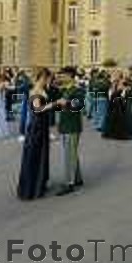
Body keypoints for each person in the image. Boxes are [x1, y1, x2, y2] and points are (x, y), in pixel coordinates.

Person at [17, 68, 59, 200]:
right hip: (36, 126)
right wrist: (53, 104)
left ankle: (39, 183)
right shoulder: (36, 90)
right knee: (34, 155)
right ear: (42, 77)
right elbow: (37, 108)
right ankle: (32, 186)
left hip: (41, 125)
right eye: (48, 78)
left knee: (40, 154)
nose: (49, 81)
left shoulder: (40, 89)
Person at [55, 66, 85, 196]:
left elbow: (78, 105)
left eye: (63, 75)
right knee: (71, 153)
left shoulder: (77, 90)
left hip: (72, 126)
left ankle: (69, 182)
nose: (60, 77)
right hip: (65, 125)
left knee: (69, 155)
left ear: (70, 76)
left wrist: (66, 102)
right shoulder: (65, 90)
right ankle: (77, 178)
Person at [102, 70, 132, 140]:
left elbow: (116, 92)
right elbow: (114, 92)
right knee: (115, 117)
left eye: (117, 75)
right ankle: (116, 133)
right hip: (116, 101)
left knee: (116, 117)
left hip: (116, 101)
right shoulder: (116, 82)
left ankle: (113, 132)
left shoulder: (119, 82)